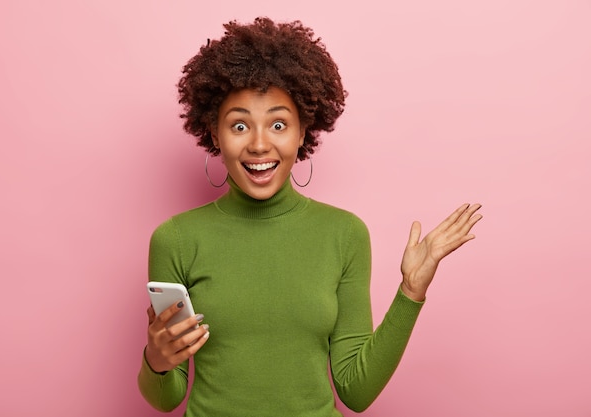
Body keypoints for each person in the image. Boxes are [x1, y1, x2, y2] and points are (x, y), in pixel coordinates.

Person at [138, 17, 482, 416]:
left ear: (303, 131)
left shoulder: (344, 234)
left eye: (279, 124)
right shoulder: (176, 239)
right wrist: (156, 361)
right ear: (215, 134)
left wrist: (410, 292)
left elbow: (356, 390)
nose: (260, 144)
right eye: (239, 125)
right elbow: (167, 398)